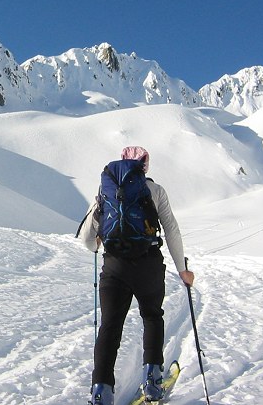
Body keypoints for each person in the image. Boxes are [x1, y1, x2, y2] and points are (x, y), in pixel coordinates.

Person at [79, 146, 194, 405]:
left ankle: (101, 392)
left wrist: (101, 243)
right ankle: (153, 383)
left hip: (114, 267)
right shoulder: (155, 190)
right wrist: (182, 269)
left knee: (109, 326)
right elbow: (172, 230)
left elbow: (88, 240)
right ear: (144, 165)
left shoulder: (104, 189)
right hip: (148, 264)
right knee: (152, 317)